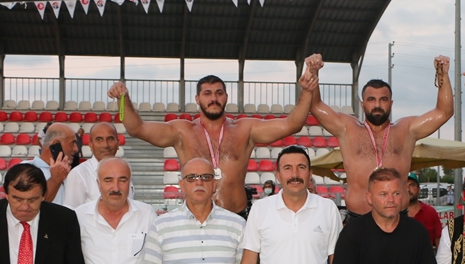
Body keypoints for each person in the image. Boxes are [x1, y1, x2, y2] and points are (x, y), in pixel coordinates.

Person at [110, 67, 317, 216]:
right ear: (197, 99)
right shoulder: (182, 131)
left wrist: (307, 90)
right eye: (207, 94)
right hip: (195, 217)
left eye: (219, 93)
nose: (214, 98)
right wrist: (123, 100)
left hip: (237, 216)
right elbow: (136, 128)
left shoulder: (246, 129)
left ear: (226, 97)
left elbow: (292, 124)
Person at [305, 56, 453, 216]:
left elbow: (444, 112)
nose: (377, 105)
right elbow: (315, 106)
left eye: (383, 99)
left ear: (391, 103)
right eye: (371, 100)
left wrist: (442, 75)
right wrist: (313, 72)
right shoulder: (347, 128)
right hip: (359, 220)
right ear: (362, 104)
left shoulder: (406, 130)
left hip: (398, 219)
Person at [63, 122, 130, 210]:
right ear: (90, 144)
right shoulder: (78, 174)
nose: (105, 145)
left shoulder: (124, 171)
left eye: (110, 139)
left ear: (118, 143)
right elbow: (71, 213)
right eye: (99, 139)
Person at [407, 172, 442, 264]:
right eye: (404, 185)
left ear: (419, 189)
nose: (408, 189)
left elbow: (439, 241)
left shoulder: (430, 212)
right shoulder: (394, 213)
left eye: (412, 185)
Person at [29, 123, 80, 205]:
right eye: (72, 143)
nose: (76, 149)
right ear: (56, 144)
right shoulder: (25, 169)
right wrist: (55, 178)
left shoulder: (70, 171)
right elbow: (33, 204)